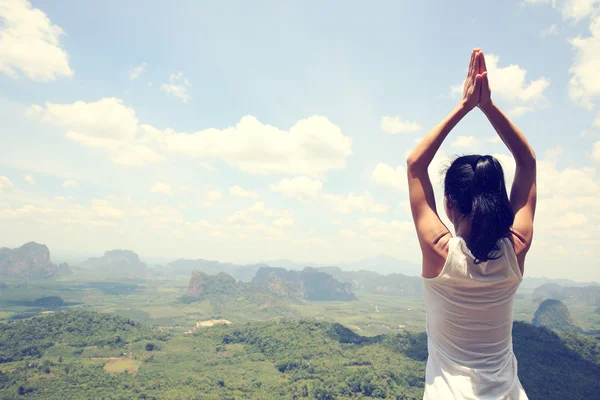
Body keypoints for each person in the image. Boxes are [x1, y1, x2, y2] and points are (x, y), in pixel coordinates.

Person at [406, 48, 536, 399]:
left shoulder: (439, 254)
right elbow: (527, 161)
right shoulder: (515, 250)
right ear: (498, 202)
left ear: (448, 205)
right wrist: (488, 106)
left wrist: (465, 106)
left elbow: (415, 164)